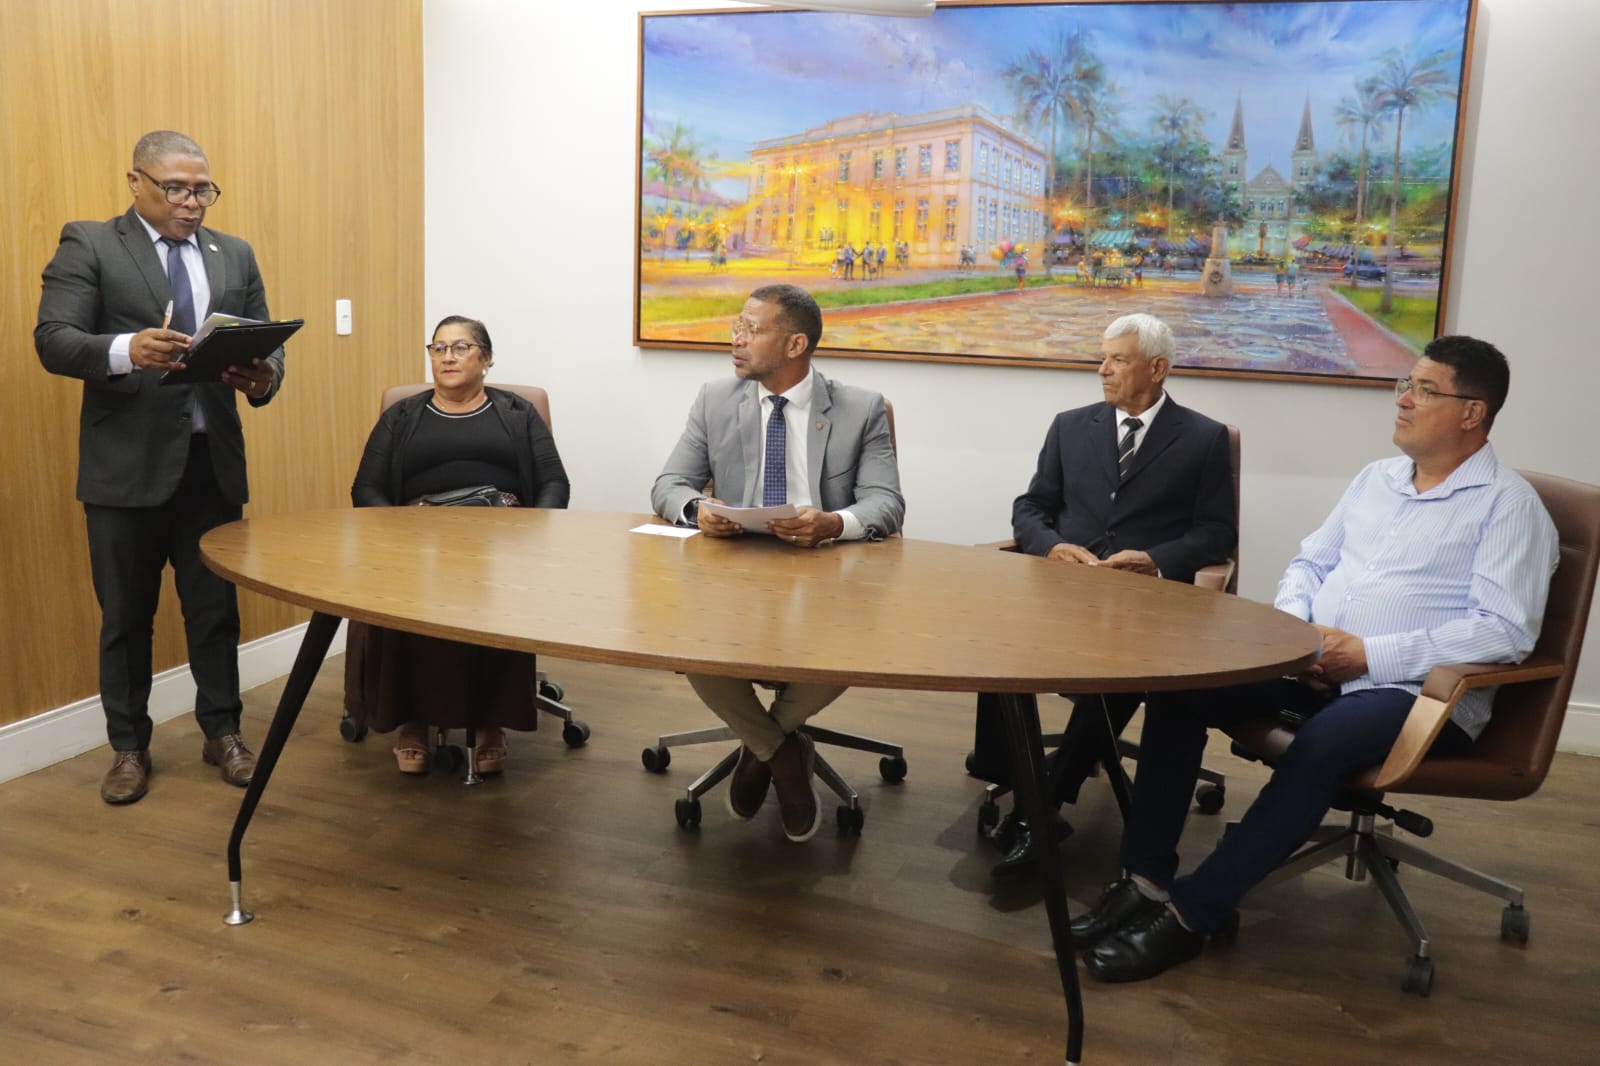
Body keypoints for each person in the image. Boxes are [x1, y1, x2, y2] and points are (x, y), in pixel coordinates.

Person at [1077, 335, 1559, 984]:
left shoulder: (1509, 507)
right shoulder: (1376, 479)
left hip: (1419, 696)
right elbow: (1309, 563)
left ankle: (1192, 914)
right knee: (1180, 686)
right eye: (1405, 385)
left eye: (1424, 390)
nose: (1404, 400)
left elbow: (1505, 631)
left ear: (1473, 412)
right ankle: (1145, 880)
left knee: (1323, 744)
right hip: (1316, 670)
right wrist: (1300, 637)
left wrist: (1368, 656)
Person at [35, 130, 285, 805]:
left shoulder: (234, 253)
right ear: (136, 182)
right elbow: (54, 339)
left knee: (215, 612)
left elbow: (264, 339)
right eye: (175, 187)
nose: (191, 202)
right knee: (125, 618)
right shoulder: (91, 243)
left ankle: (223, 733)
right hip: (125, 471)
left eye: (202, 189)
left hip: (211, 466)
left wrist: (263, 375)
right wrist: (126, 350)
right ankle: (129, 748)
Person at [981, 313, 1236, 877]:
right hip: (1065, 593)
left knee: (1124, 667)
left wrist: (1157, 560)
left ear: (1157, 368)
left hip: (1145, 603)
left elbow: (1217, 532)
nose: (1102, 369)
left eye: (1118, 359)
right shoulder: (1070, 426)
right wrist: (1051, 546)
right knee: (992, 638)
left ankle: (1039, 807)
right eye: (1103, 357)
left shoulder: (1203, 437)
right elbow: (1031, 507)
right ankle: (1004, 773)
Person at [651, 284, 904, 842]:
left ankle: (760, 747)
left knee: (848, 643)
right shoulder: (716, 399)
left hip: (824, 575)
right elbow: (669, 484)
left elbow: (886, 503)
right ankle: (785, 756)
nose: (735, 340)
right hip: (733, 574)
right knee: (691, 642)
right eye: (736, 327)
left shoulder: (861, 408)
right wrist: (698, 510)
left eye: (751, 329)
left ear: (795, 345)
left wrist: (832, 523)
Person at [345, 316, 570, 775]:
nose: (447, 357)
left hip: (501, 537)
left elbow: (553, 481)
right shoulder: (402, 416)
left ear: (486, 359)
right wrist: (398, 536)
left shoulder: (517, 413)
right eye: (439, 348)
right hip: (418, 537)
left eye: (461, 347)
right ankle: (412, 723)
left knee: (493, 588)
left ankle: (492, 722)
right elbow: (366, 487)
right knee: (404, 587)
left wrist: (534, 533)